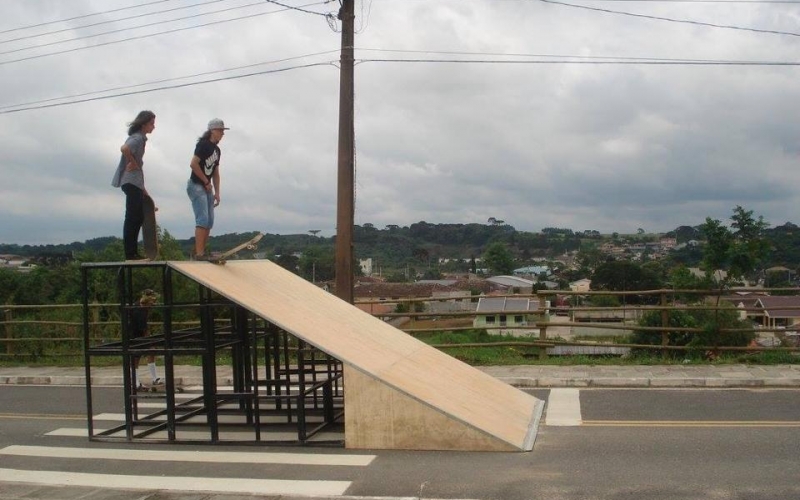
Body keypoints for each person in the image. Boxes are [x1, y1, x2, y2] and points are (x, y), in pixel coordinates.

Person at [111, 110, 156, 261]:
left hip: (135, 182)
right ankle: (130, 254)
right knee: (133, 217)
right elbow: (124, 148)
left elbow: (138, 170)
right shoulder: (137, 138)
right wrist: (132, 161)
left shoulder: (140, 139)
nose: (153, 127)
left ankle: (133, 253)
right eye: (151, 123)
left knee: (137, 217)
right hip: (130, 181)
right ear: (143, 124)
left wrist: (144, 190)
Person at [187, 118, 229, 259]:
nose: (222, 134)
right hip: (196, 185)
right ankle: (199, 253)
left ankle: (202, 251)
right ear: (212, 131)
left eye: (223, 131)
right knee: (203, 219)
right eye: (220, 131)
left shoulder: (217, 150)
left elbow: (216, 173)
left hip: (207, 187)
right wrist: (205, 181)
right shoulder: (203, 145)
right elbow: (193, 164)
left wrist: (217, 192)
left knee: (210, 221)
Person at [130, 289, 162, 389]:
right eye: (152, 301)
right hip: (134, 334)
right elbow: (142, 327)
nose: (153, 304)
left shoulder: (144, 308)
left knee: (151, 351)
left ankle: (155, 378)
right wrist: (148, 339)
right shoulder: (138, 310)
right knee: (136, 357)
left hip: (140, 333)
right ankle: (135, 382)